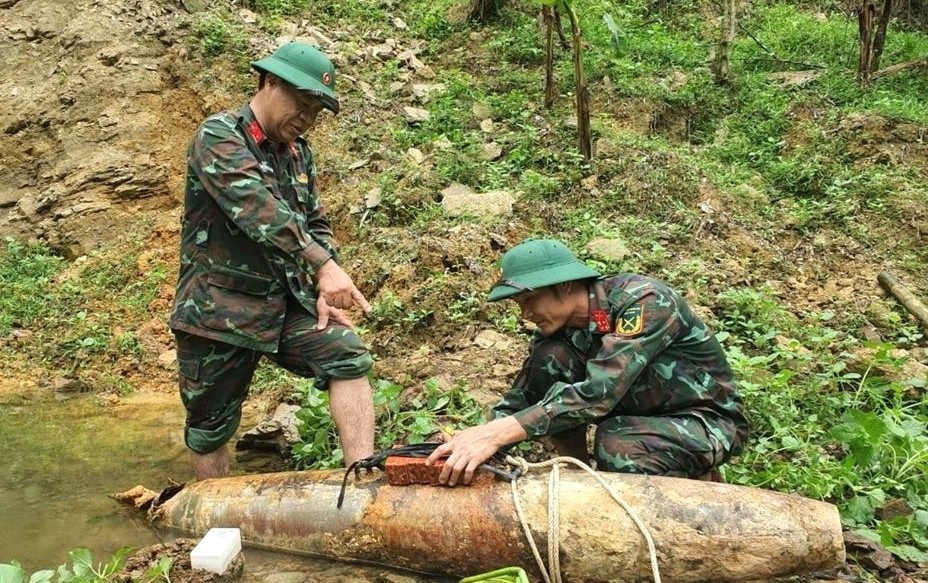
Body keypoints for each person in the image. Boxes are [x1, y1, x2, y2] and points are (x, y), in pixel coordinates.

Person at [169, 41, 376, 481]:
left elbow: (314, 222)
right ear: (268, 82)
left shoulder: (298, 153)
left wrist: (326, 285)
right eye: (300, 104)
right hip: (217, 311)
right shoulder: (219, 135)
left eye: (315, 112)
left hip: (280, 306)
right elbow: (257, 207)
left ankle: (361, 478)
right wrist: (323, 266)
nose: (306, 119)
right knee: (210, 428)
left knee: (346, 354)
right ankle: (217, 524)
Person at [427, 238, 748, 485]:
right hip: (635, 420)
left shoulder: (643, 302)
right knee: (551, 361)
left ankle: (698, 491)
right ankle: (582, 477)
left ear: (564, 285)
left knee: (618, 442)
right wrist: (477, 434)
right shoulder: (559, 333)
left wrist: (498, 434)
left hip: (704, 422)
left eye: (528, 299)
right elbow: (523, 398)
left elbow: (598, 393)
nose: (524, 313)